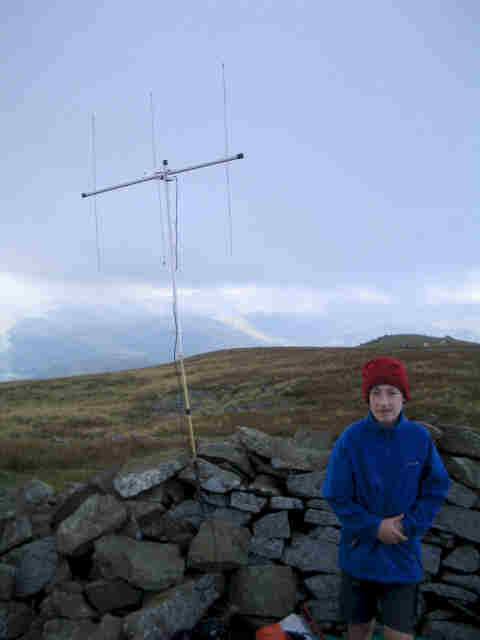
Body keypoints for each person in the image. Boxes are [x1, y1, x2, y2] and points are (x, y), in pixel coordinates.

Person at [322, 357, 451, 640]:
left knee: (398, 636)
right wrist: (374, 527)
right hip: (359, 552)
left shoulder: (419, 438)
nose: (383, 402)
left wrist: (408, 526)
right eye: (375, 393)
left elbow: (437, 488)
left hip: (403, 553)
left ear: (404, 397)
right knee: (358, 632)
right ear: (366, 398)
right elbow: (336, 493)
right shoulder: (351, 439)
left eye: (392, 393)